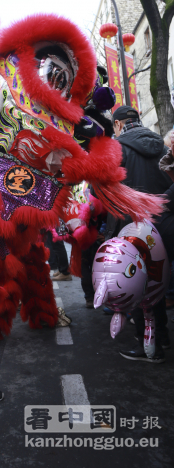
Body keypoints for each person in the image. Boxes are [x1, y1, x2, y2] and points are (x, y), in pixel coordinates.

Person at [106, 105, 172, 363]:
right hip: (163, 225)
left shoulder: (116, 150)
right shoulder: (164, 147)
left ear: (119, 124)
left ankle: (149, 346)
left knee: (137, 286)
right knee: (157, 281)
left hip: (132, 228)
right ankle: (162, 335)